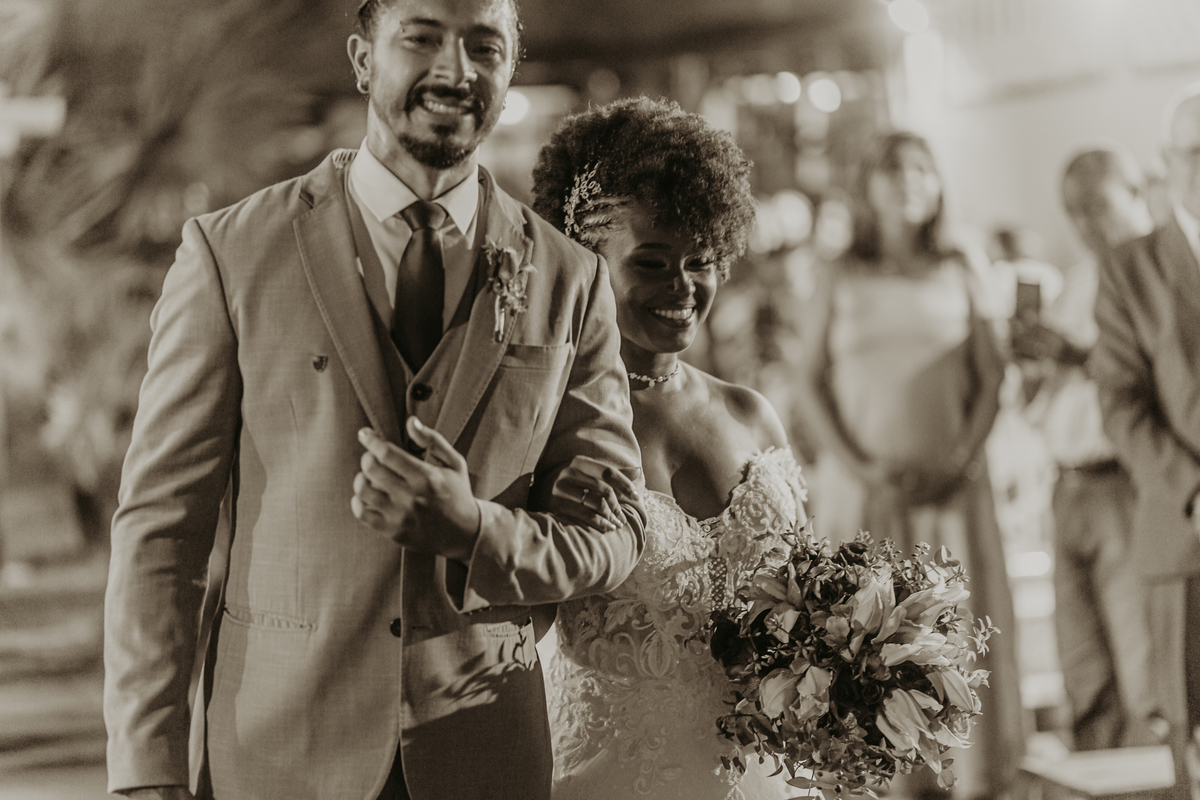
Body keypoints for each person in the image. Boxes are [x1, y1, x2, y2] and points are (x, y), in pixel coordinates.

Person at [102, 0, 647, 797]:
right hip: (279, 757)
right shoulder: (229, 254)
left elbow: (614, 534)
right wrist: (145, 769)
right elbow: (161, 530)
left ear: (508, 71)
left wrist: (475, 530)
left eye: (484, 46)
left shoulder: (571, 278)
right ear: (363, 60)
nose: (455, 70)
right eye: (421, 38)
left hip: (482, 756)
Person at [529, 97, 808, 799]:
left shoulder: (750, 414)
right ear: (585, 263)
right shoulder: (549, 425)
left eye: (700, 260)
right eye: (651, 263)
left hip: (766, 779)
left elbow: (813, 605)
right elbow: (514, 620)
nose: (682, 286)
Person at [796, 130, 1024, 798]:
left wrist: (959, 460)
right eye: (894, 170)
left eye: (923, 170)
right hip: (863, 491)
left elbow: (993, 374)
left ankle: (972, 781)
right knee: (867, 647)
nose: (909, 182)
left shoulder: (962, 263)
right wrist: (860, 466)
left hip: (951, 491)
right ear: (867, 185)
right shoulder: (840, 271)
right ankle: (880, 784)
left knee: (959, 639)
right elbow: (809, 380)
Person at [1013, 146, 1155, 751]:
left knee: (1141, 658)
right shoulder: (1078, 280)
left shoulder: (1159, 270)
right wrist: (1033, 365)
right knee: (1083, 664)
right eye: (1073, 211)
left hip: (1123, 480)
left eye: (1097, 206)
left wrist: (1074, 355)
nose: (1085, 223)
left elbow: (1160, 377)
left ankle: (1155, 778)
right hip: (1068, 483)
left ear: (1137, 194)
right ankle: (1098, 770)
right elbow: (1047, 401)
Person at [1092, 85, 1200, 796]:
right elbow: (1121, 405)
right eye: (1196, 152)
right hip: (1187, 531)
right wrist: (1193, 489)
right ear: (1167, 162)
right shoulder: (1134, 268)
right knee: (1193, 743)